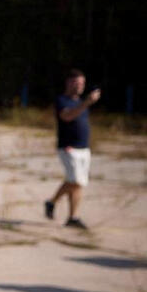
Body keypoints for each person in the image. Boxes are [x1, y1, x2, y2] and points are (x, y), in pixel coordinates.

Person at [44, 68, 100, 229]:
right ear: (68, 83)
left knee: (77, 183)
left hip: (84, 148)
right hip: (68, 147)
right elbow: (67, 116)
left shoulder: (79, 102)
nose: (80, 86)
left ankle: (68, 214)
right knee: (76, 180)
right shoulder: (63, 100)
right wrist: (87, 103)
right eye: (77, 82)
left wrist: (84, 103)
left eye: (82, 83)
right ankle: (60, 208)